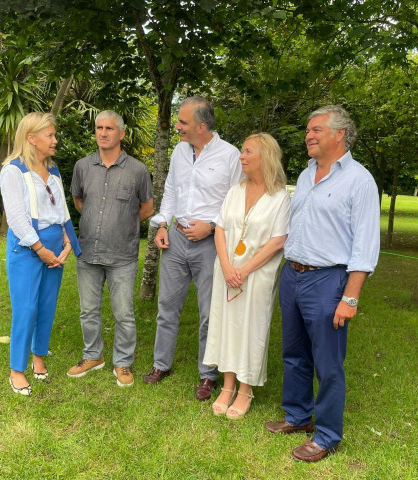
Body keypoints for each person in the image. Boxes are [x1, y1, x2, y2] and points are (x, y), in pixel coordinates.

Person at [265, 105, 380, 462]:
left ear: (339, 134)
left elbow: (365, 245)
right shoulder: (305, 174)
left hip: (329, 281)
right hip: (293, 275)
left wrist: (351, 297)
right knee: (293, 354)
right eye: (307, 130)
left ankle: (328, 435)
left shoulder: (359, 181)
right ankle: (298, 416)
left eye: (316, 130)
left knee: (328, 363)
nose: (308, 136)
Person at [144, 96, 242, 401]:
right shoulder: (179, 152)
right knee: (166, 307)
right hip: (175, 239)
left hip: (212, 244)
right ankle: (161, 364)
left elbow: (235, 204)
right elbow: (171, 191)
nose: (177, 127)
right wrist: (162, 224)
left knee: (209, 312)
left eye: (183, 122)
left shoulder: (230, 156)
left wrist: (211, 227)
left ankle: (208, 375)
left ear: (201, 126)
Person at [203, 133, 290, 419]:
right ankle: (227, 387)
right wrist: (227, 267)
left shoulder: (280, 197)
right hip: (227, 271)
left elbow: (278, 240)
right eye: (242, 151)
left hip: (256, 276)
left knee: (252, 329)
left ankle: (245, 388)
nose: (241, 156)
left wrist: (244, 270)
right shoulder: (235, 191)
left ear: (265, 156)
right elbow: (220, 229)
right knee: (226, 325)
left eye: (247, 151)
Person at [67, 110, 154, 387]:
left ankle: (123, 362)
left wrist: (122, 225)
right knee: (88, 310)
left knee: (123, 313)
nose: (103, 133)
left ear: (122, 134)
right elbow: (80, 201)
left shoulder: (138, 170)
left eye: (109, 128)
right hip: (88, 252)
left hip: (122, 256)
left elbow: (147, 208)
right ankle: (93, 356)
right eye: (99, 128)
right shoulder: (82, 166)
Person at [0, 112, 81, 396]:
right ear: (31, 139)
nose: (55, 140)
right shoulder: (13, 171)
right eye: (50, 135)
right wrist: (40, 249)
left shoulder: (54, 171)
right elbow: (17, 218)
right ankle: (16, 370)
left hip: (54, 243)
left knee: (46, 305)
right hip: (27, 247)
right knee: (26, 308)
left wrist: (67, 243)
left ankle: (38, 358)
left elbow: (61, 213)